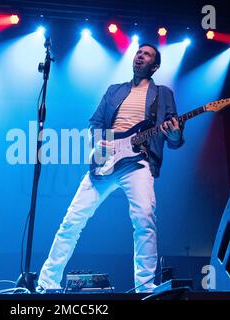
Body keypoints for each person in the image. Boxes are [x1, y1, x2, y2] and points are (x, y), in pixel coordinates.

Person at [36, 44, 184, 293]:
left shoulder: (163, 94)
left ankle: (145, 288)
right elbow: (95, 122)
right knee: (73, 219)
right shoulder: (115, 91)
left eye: (147, 54)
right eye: (139, 52)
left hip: (138, 162)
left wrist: (175, 132)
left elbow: (175, 139)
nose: (140, 55)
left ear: (155, 66)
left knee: (144, 218)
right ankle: (47, 282)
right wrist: (100, 141)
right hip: (105, 160)